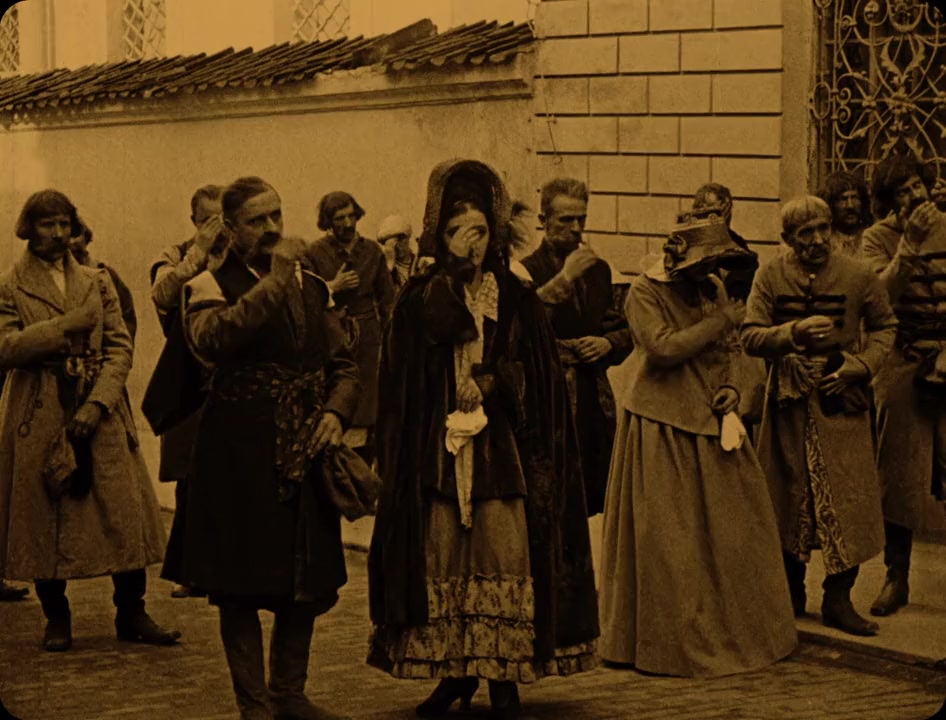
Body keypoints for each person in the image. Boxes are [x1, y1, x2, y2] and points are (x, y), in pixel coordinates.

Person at [367, 159, 599, 719]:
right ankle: (455, 675)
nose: (470, 243)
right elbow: (400, 377)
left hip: (500, 458)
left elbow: (537, 374)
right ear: (439, 235)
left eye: (479, 231)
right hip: (437, 457)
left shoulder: (515, 297)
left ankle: (503, 679)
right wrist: (447, 283)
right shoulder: (420, 298)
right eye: (457, 231)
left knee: (503, 552)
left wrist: (492, 382)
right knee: (443, 559)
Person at [162, 177, 360, 720]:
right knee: (239, 585)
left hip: (304, 446)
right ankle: (254, 706)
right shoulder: (206, 285)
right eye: (257, 220)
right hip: (236, 454)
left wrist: (335, 413)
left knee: (306, 576)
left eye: (277, 215)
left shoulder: (312, 285)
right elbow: (216, 340)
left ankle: (288, 693)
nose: (273, 228)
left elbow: (343, 365)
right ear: (230, 229)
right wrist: (273, 282)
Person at [598, 211, 796, 677]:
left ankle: (731, 630)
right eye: (704, 262)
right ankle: (668, 642)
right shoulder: (644, 292)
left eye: (716, 262)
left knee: (737, 530)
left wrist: (733, 388)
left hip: (711, 419)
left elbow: (732, 350)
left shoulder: (712, 287)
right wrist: (720, 321)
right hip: (661, 424)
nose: (710, 271)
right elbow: (662, 348)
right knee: (669, 540)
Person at [0, 190, 179, 652]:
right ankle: (56, 617)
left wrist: (97, 404)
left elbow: (119, 346)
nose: (59, 234)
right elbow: (6, 348)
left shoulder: (97, 281)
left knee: (122, 509)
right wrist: (64, 327)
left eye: (65, 224)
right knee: (45, 514)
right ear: (29, 229)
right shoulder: (10, 286)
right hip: (38, 409)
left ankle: (132, 611)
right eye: (48, 225)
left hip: (100, 409)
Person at [742, 196, 897, 636]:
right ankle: (789, 592)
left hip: (841, 403)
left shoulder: (859, 274)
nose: (817, 239)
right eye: (805, 232)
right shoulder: (770, 275)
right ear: (787, 239)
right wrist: (789, 333)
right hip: (787, 409)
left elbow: (885, 327)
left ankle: (838, 599)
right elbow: (750, 334)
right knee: (786, 496)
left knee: (849, 499)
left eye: (823, 228)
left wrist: (859, 366)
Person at [861, 154, 946, 617]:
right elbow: (879, 298)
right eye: (902, 192)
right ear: (888, 202)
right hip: (904, 358)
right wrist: (908, 246)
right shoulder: (877, 238)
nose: (914, 196)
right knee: (898, 473)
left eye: (917, 186)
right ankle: (897, 576)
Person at [517, 178, 633, 516]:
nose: (576, 228)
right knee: (549, 491)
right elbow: (519, 331)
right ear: (543, 221)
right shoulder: (524, 271)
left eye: (581, 218)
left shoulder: (600, 270)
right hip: (545, 395)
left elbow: (625, 327)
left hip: (592, 395)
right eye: (566, 220)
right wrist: (563, 280)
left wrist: (607, 343)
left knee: (589, 489)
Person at [149, 184, 226, 599]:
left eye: (223, 218)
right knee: (190, 478)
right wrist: (198, 252)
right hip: (188, 381)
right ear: (194, 221)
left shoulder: (242, 255)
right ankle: (188, 569)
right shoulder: (176, 256)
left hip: (232, 379)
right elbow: (162, 293)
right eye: (208, 220)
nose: (217, 227)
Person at [306, 192, 395, 468]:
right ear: (327, 222)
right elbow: (306, 298)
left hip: (368, 338)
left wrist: (392, 340)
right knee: (337, 396)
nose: (347, 223)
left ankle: (365, 467)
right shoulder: (314, 253)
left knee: (369, 402)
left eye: (351, 216)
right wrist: (333, 286)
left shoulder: (372, 252)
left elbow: (388, 301)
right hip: (333, 334)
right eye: (339, 218)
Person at [68, 218, 137, 340]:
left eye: (75, 234)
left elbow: (127, 318)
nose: (72, 241)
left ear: (86, 238)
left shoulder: (106, 275)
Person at [692, 182, 759, 302]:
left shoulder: (740, 250)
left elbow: (740, 291)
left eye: (713, 210)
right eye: (701, 208)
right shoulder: (684, 245)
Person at [817, 170, 873, 257]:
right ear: (831, 204)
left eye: (854, 197)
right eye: (843, 199)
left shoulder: (872, 238)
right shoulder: (822, 241)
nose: (850, 206)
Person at [376, 214, 415, 291]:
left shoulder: (420, 263)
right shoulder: (380, 269)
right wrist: (390, 264)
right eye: (391, 243)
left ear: (407, 238)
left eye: (400, 239)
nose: (397, 245)